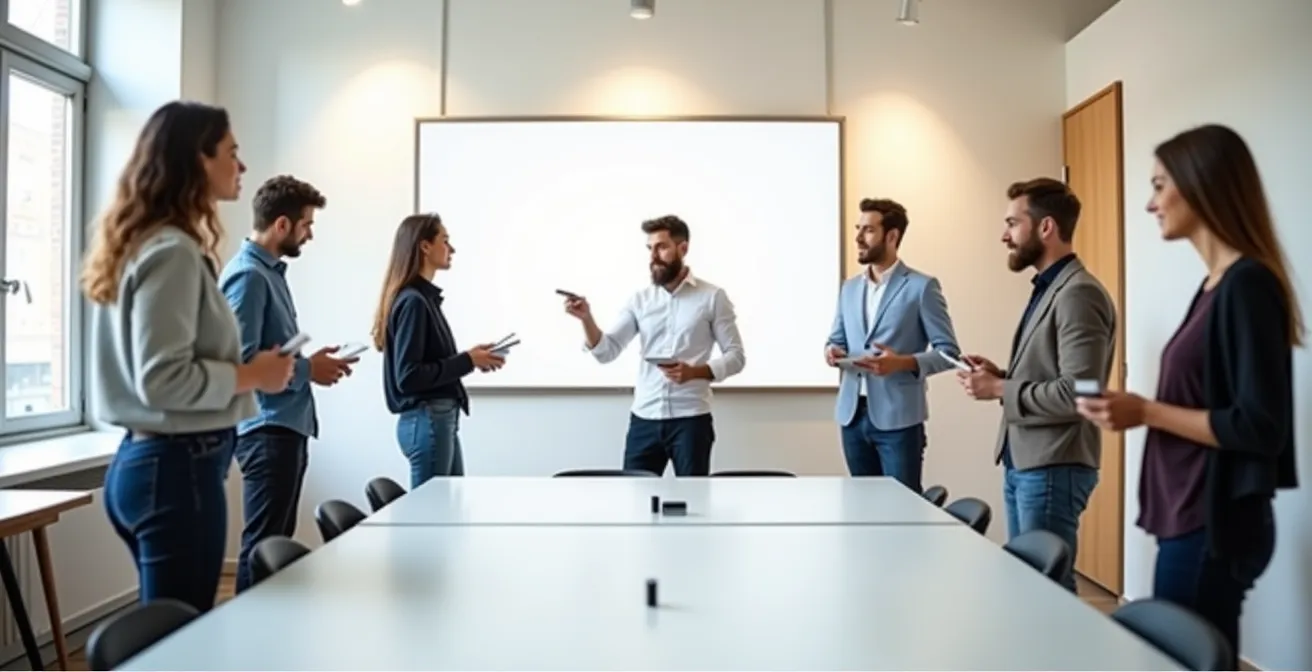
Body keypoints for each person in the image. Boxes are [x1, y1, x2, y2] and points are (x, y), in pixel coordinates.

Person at [1076, 124, 1301, 664]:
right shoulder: (1214, 286)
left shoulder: (1247, 285)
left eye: (1159, 186)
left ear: (1201, 185)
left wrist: (1146, 410)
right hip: (1190, 513)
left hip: (1212, 520)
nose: (1150, 203)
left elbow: (1258, 426)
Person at [81, 101, 294, 612]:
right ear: (197, 161)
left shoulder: (142, 243)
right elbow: (163, 379)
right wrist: (255, 374)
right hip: (176, 470)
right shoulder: (172, 251)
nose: (241, 167)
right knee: (182, 640)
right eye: (231, 153)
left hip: (153, 464)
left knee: (170, 634)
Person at [957, 178, 1116, 593]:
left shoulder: (1078, 294)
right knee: (1030, 590)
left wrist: (998, 390)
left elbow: (1080, 394)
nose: (1004, 235)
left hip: (1052, 467)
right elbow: (1055, 377)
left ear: (1045, 227)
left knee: (1046, 594)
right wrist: (1004, 376)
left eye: (1012, 222)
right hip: (1027, 462)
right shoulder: (1051, 288)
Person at [219, 175, 357, 593]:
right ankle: (249, 644)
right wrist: (306, 370)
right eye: (307, 224)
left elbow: (266, 351)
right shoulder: (250, 277)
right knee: (263, 548)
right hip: (266, 430)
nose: (310, 234)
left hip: (283, 427)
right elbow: (239, 362)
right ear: (282, 225)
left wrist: (308, 362)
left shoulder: (271, 274)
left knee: (275, 547)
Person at [563, 215, 746, 476]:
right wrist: (586, 319)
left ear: (683, 249)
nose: (653, 257)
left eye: (661, 247)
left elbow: (736, 356)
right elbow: (606, 351)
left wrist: (695, 372)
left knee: (694, 502)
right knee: (635, 502)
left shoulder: (713, 297)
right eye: (650, 249)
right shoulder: (640, 300)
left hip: (691, 419)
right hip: (644, 419)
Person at [825, 198, 961, 491]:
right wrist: (832, 350)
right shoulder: (849, 288)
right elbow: (836, 337)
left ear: (892, 236)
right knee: (864, 510)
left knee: (902, 513)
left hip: (899, 420)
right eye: (858, 228)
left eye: (868, 230)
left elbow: (949, 353)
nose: (858, 238)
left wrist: (902, 363)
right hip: (852, 416)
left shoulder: (921, 287)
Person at [372, 214, 505, 488]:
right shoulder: (414, 303)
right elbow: (408, 376)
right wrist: (468, 360)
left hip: (435, 419)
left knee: (448, 509)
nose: (452, 249)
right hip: (429, 419)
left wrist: (470, 358)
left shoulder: (422, 300)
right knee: (431, 517)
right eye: (445, 240)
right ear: (424, 246)